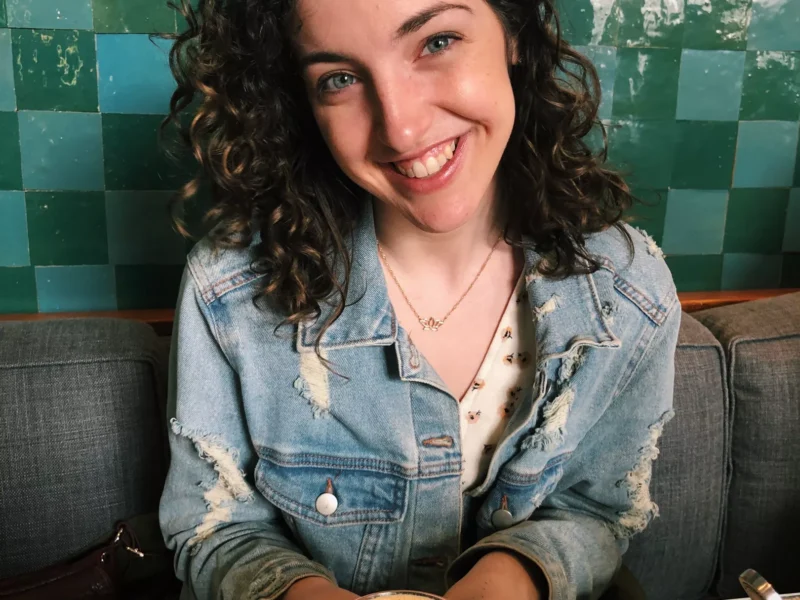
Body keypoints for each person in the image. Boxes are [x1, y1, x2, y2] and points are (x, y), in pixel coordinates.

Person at [158, 0, 680, 599]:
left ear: (513, 34)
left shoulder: (629, 292)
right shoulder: (230, 294)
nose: (401, 128)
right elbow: (215, 530)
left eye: (437, 42)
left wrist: (515, 577)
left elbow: (596, 510)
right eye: (340, 79)